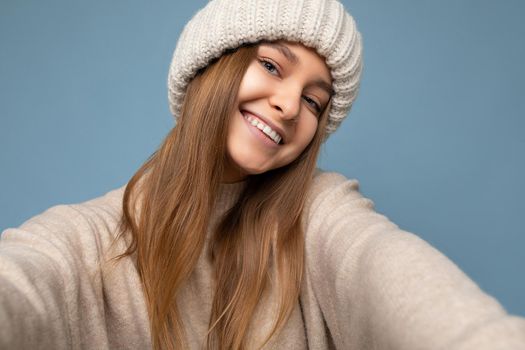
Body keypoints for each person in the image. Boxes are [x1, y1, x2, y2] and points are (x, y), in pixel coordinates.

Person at [1, 0, 524, 349]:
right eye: (272, 66)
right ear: (213, 67)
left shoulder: (319, 215)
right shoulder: (90, 240)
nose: (289, 104)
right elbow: (24, 280)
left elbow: (391, 273)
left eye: (314, 101)